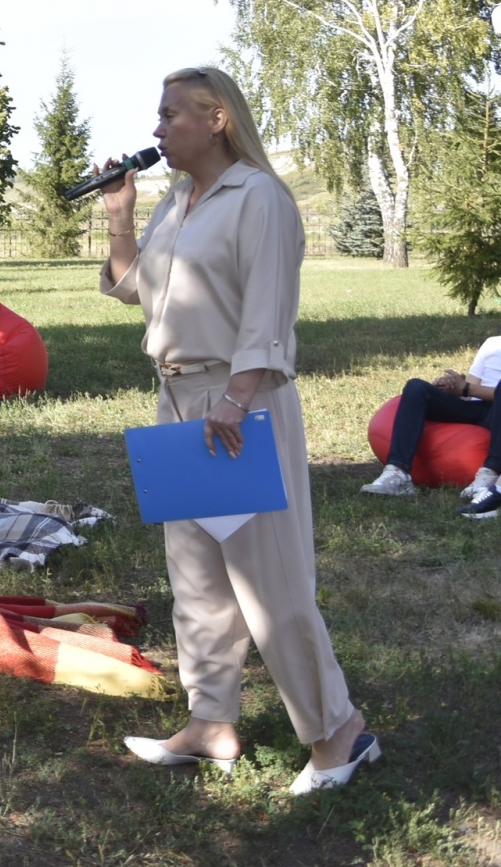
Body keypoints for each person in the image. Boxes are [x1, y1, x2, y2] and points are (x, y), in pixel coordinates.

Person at [102, 66, 374, 795]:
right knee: (195, 576)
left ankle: (337, 730)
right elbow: (136, 289)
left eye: (170, 114)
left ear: (217, 117)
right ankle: (212, 722)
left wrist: (238, 395)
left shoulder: (259, 197)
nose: (156, 129)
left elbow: (269, 306)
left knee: (269, 582)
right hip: (177, 401)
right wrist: (121, 216)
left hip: (238, 403)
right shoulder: (177, 203)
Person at [360, 350, 501, 515]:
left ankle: (489, 474)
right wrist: (452, 386)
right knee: (417, 387)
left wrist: (467, 389)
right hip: (474, 407)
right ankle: (397, 473)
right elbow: (467, 392)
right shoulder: (492, 344)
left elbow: (470, 389)